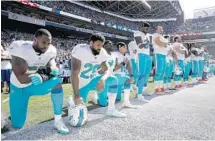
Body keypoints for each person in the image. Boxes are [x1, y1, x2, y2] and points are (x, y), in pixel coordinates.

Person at [9, 29, 69, 134]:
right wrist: (44, 75)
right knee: (17, 124)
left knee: (57, 82)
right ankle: (15, 113)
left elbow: (51, 63)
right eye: (43, 42)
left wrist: (53, 68)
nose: (46, 46)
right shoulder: (20, 48)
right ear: (35, 40)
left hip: (35, 85)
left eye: (49, 43)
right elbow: (22, 78)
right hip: (19, 87)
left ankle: (58, 121)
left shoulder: (51, 50)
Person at [70, 33, 126, 118]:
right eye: (98, 45)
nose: (100, 47)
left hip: (93, 80)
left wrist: (103, 79)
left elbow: (107, 70)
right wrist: (77, 95)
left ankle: (111, 110)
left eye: (101, 45)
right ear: (91, 43)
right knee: (80, 114)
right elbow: (74, 73)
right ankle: (71, 100)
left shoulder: (102, 52)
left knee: (113, 80)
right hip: (81, 84)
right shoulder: (81, 50)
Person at [133, 22, 151, 100]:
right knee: (142, 74)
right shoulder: (137, 33)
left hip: (147, 55)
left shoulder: (147, 35)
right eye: (145, 27)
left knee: (146, 75)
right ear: (141, 27)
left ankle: (142, 91)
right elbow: (140, 45)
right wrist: (146, 42)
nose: (147, 28)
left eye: (148, 27)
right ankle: (139, 94)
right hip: (141, 55)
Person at [152, 26, 168, 94]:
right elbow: (160, 44)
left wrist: (164, 43)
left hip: (164, 55)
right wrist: (165, 43)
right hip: (158, 54)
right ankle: (156, 89)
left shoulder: (162, 37)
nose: (161, 30)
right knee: (159, 71)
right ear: (156, 29)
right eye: (159, 29)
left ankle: (160, 88)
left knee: (162, 72)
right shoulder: (155, 35)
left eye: (162, 29)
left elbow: (164, 44)